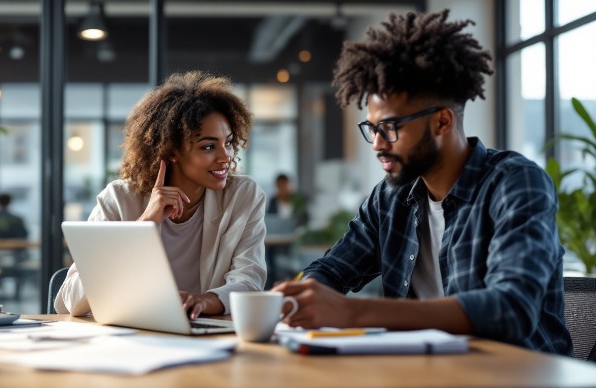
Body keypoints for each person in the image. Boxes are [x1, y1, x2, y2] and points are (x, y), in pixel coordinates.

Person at [273, 10, 571, 355]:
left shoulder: (515, 183)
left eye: (390, 128)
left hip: (519, 375)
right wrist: (301, 295)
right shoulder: (390, 198)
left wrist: (353, 311)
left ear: (442, 122)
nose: (377, 144)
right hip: (426, 371)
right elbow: (332, 269)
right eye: (372, 128)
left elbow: (511, 308)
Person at [55, 71, 267, 319]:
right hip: (131, 337)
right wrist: (143, 225)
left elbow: (249, 282)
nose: (226, 156)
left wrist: (202, 301)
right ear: (172, 151)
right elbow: (72, 300)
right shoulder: (119, 199)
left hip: (206, 335)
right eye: (208, 146)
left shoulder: (242, 196)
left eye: (228, 142)